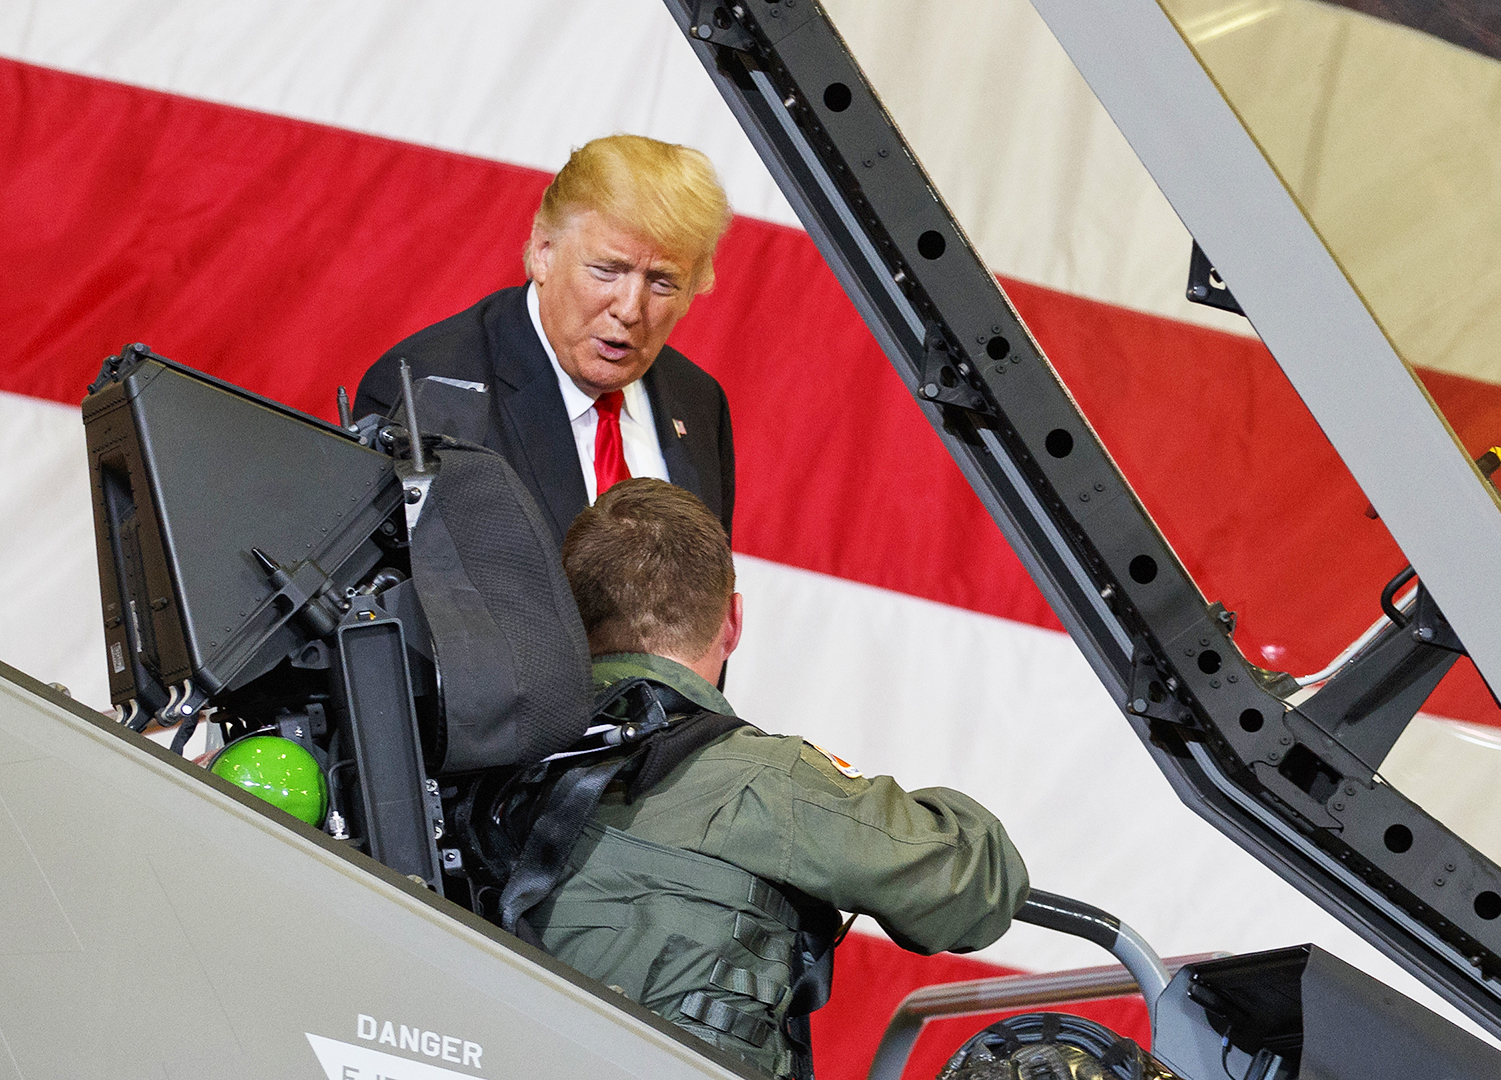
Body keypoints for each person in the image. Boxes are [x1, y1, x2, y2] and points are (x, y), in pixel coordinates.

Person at [533, 478, 1028, 1079]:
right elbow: (975, 887)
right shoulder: (764, 783)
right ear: (732, 622)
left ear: (570, 617)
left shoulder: (485, 762)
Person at [355, 135, 735, 544]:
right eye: (607, 270)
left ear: (693, 289)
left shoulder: (699, 402)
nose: (629, 310)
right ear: (543, 251)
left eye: (662, 283)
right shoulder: (427, 393)